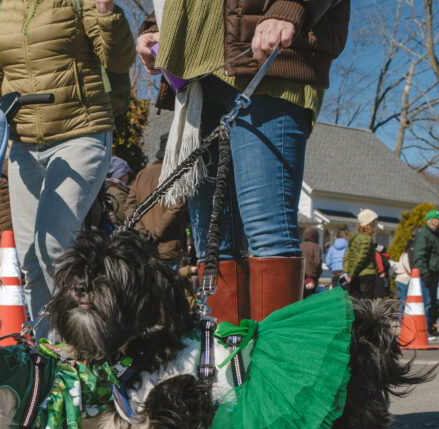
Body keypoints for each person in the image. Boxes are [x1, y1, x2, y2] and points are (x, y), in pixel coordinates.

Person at [137, 0, 350, 324]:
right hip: (196, 80)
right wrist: (156, 25)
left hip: (266, 65)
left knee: (268, 234)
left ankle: (276, 356)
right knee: (213, 245)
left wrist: (290, 6)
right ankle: (224, 353)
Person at [0, 0, 135, 338]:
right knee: (30, 259)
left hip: (81, 132)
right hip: (24, 144)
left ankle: (81, 339)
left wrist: (107, 14)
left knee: (54, 246)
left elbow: (119, 60)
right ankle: (50, 349)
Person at [124, 133, 190, 264]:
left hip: (144, 248)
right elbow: (176, 207)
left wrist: (141, 230)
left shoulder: (142, 174)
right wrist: (156, 234)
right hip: (168, 247)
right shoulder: (177, 175)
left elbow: (129, 206)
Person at [414, 208, 439, 333]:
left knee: (432, 302)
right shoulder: (424, 235)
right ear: (431, 221)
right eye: (438, 219)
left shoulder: (436, 235)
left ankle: (429, 327)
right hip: (427, 274)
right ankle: (423, 330)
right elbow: (420, 256)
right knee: (426, 302)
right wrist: (425, 274)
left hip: (435, 272)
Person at [343, 209, 379, 300]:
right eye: (374, 221)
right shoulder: (366, 238)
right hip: (367, 274)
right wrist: (351, 275)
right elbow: (360, 259)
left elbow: (347, 256)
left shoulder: (354, 236)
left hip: (355, 274)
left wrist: (347, 272)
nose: (376, 223)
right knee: (367, 303)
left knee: (354, 301)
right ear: (369, 222)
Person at [103, 156, 131, 227]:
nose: (127, 177)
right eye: (126, 173)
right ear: (121, 175)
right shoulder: (117, 193)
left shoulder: (107, 189)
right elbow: (125, 218)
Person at [300, 225, 322, 297]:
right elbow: (317, 262)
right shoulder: (316, 247)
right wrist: (318, 273)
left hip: (301, 275)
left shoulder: (300, 246)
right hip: (312, 276)